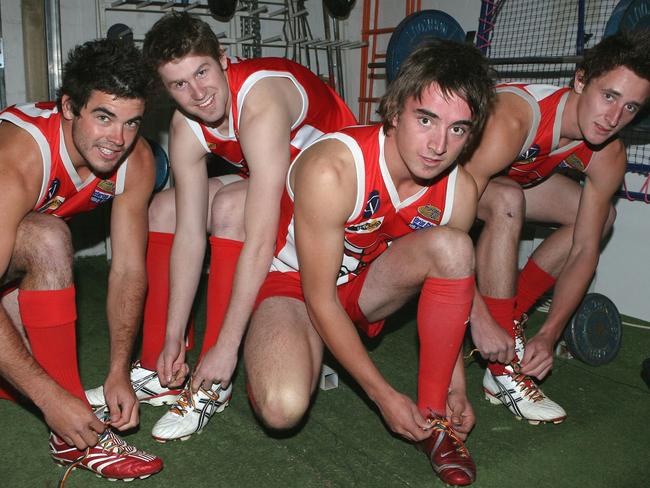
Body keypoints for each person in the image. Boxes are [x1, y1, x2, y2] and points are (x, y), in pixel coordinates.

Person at [86, 11, 357, 443]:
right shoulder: (185, 126)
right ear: (165, 89)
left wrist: (227, 348)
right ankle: (161, 364)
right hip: (284, 178)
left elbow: (262, 233)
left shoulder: (260, 102)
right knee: (165, 209)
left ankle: (214, 382)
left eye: (202, 72)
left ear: (224, 60)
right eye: (179, 84)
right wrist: (174, 333)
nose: (197, 93)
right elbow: (190, 235)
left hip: (341, 197)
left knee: (233, 205)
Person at [243, 39, 494, 486]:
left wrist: (456, 383)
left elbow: (448, 289)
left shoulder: (460, 191)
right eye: (426, 119)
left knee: (455, 247)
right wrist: (382, 396)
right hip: (298, 288)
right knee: (282, 408)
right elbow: (320, 298)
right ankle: (280, 349)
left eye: (458, 129)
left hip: (367, 288)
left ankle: (434, 420)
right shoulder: (334, 168)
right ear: (395, 112)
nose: (439, 145)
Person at [464, 29, 650, 424]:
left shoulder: (609, 153)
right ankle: (501, 370)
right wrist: (478, 314)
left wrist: (551, 332)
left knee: (601, 219)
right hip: (446, 190)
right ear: (581, 80)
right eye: (609, 96)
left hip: (513, 182)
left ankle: (513, 318)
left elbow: (585, 249)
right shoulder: (513, 119)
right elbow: (451, 219)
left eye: (631, 108)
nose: (614, 118)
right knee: (507, 200)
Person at [0, 39, 163, 480]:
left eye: (132, 122)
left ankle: (65, 428)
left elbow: (129, 270)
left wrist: (118, 372)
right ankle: (73, 438)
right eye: (104, 117)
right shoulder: (16, 159)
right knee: (49, 237)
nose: (118, 140)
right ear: (69, 107)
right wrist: (53, 398)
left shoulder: (136, 158)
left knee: (41, 238)